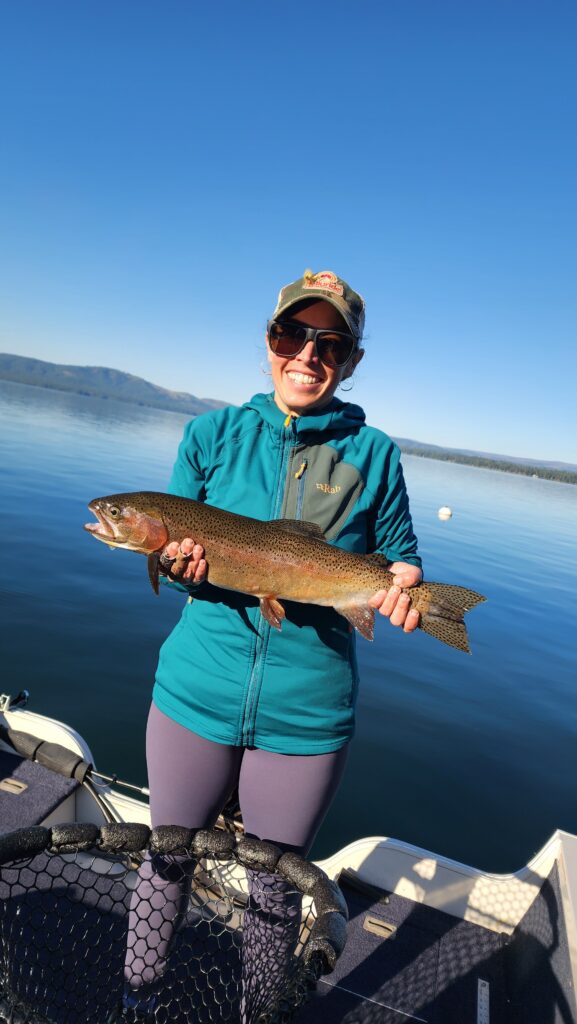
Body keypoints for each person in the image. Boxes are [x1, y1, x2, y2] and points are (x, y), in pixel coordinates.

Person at [115, 269, 422, 1021]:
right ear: (269, 341)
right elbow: (178, 563)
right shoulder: (210, 436)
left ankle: (258, 1013)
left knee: (276, 890)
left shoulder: (376, 453)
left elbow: (399, 556)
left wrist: (403, 586)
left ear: (350, 360)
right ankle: (136, 1003)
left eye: (330, 344)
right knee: (166, 858)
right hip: (194, 692)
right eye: (292, 335)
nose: (308, 355)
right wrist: (176, 568)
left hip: (306, 714)